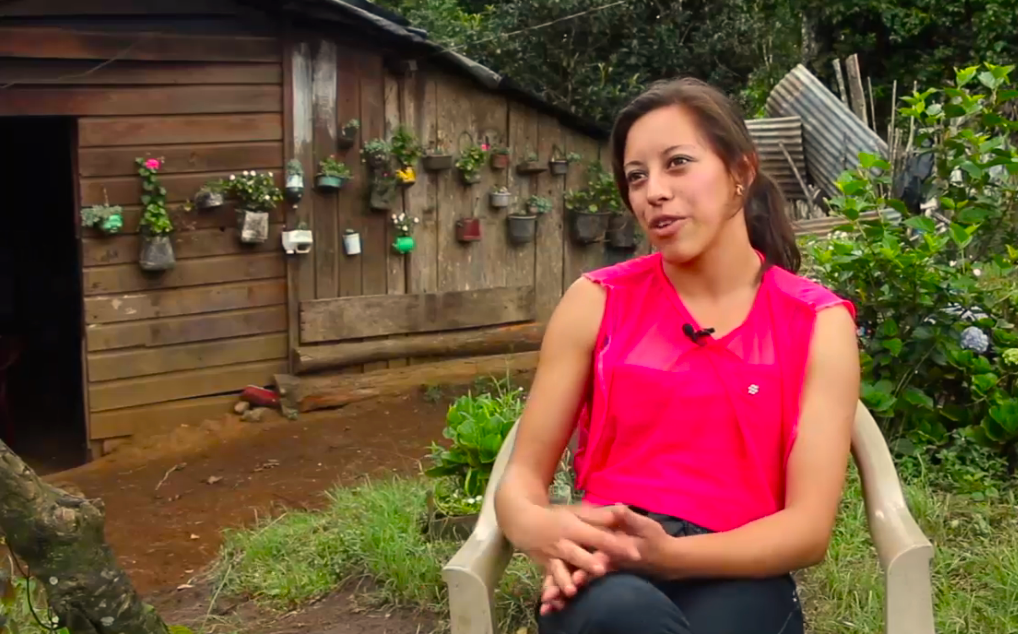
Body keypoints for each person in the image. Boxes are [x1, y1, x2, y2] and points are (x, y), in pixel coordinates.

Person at [492, 77, 861, 634]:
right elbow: (522, 477)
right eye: (636, 176)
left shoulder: (816, 323)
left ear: (741, 172)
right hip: (609, 570)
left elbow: (807, 530)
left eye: (677, 164)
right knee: (624, 617)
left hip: (741, 567)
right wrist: (535, 526)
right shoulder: (596, 302)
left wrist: (666, 555)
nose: (653, 192)